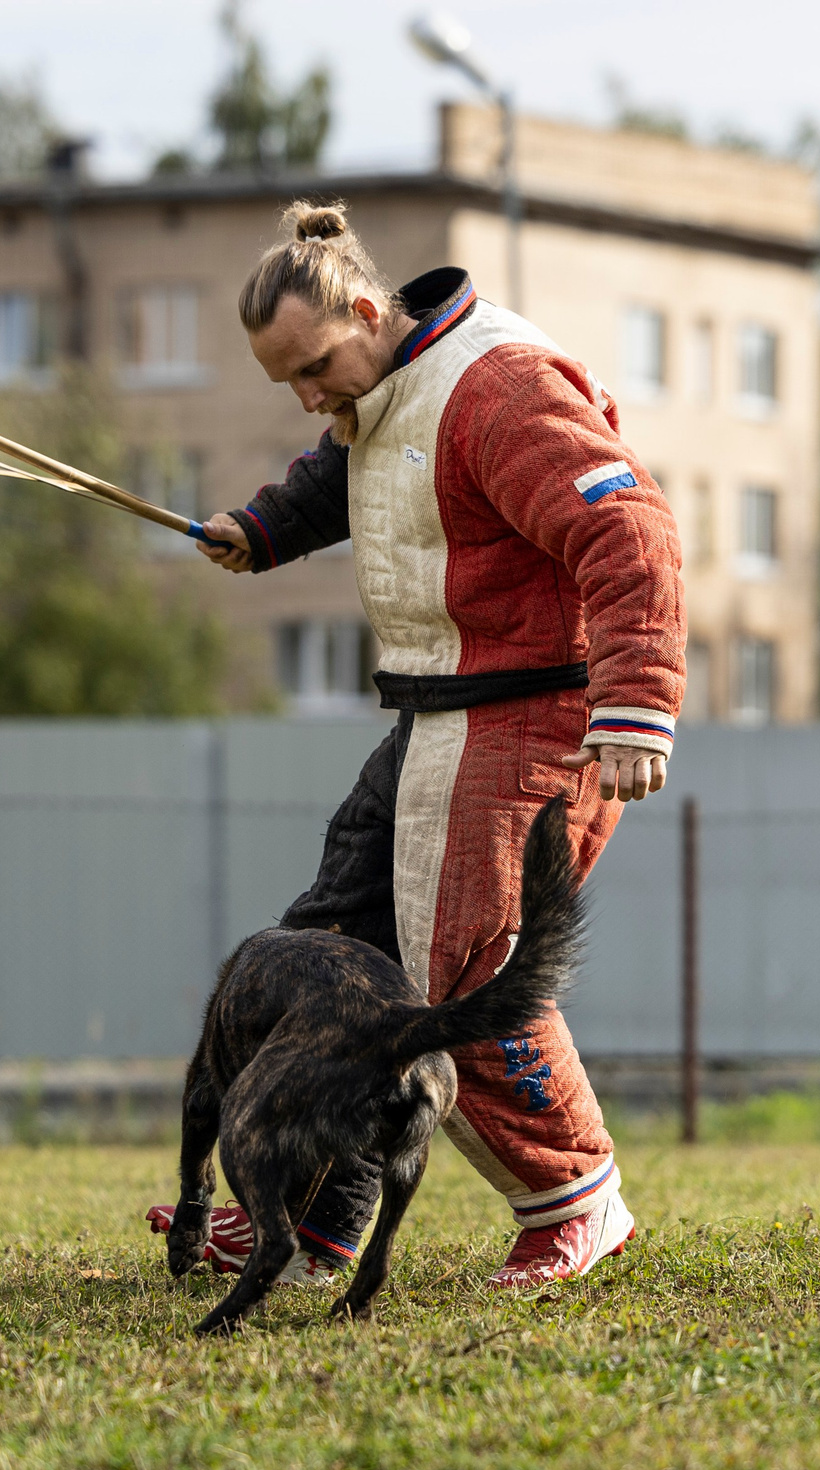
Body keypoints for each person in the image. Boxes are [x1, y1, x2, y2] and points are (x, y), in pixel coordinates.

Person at [190, 200, 683, 1290]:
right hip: (438, 714)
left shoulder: (497, 386)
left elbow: (627, 527)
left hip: (538, 720)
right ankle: (312, 1220)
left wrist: (638, 703)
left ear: (367, 309)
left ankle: (575, 1201)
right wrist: (263, 529)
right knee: (325, 959)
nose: (312, 396)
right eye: (291, 384)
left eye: (315, 366)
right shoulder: (387, 385)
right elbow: (349, 466)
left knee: (464, 976)